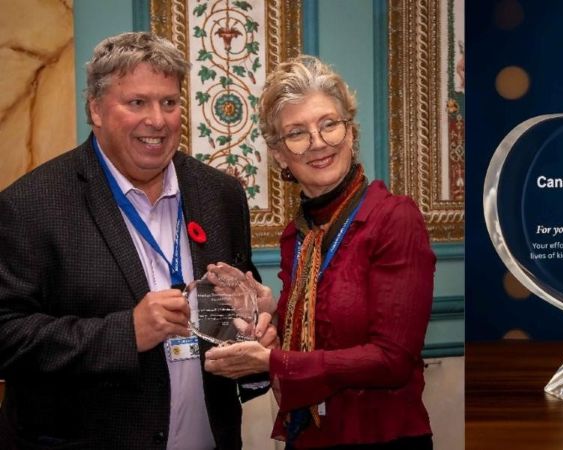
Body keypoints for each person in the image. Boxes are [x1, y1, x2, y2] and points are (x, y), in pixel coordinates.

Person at [0, 32, 273, 449]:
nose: (158, 121)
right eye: (137, 103)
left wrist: (249, 329)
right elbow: (8, 335)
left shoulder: (220, 195)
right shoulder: (31, 205)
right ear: (95, 109)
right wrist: (126, 332)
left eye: (169, 102)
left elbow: (225, 305)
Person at [204, 55, 436, 449]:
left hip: (381, 438)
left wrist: (272, 362)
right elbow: (323, 327)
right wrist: (268, 309)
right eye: (297, 133)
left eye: (329, 124)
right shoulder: (299, 232)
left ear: (350, 132)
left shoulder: (393, 218)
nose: (317, 143)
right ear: (279, 154)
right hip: (310, 437)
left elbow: (392, 361)